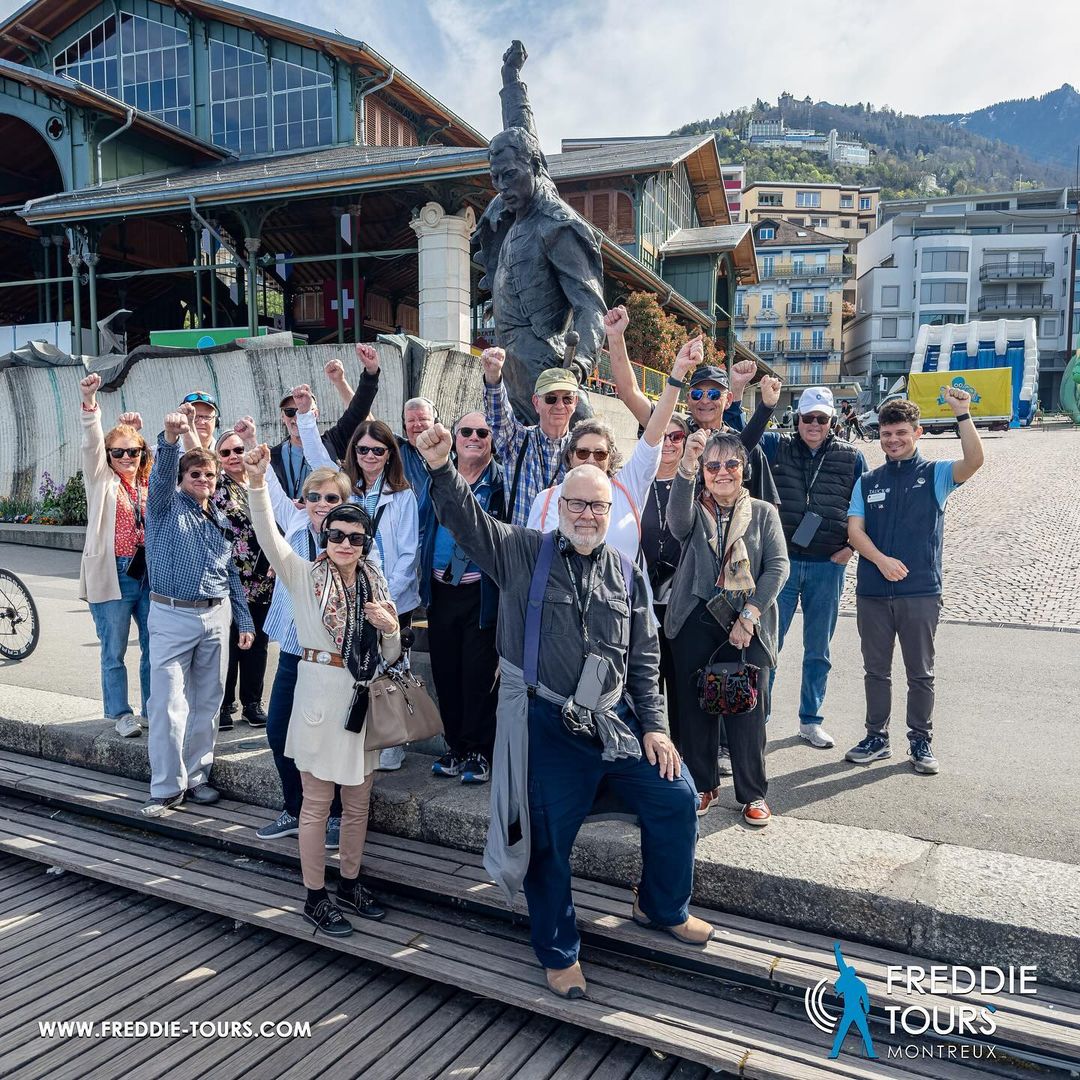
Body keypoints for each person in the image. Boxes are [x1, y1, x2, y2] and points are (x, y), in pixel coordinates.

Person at [417, 422, 712, 1001]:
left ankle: (662, 905)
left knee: (675, 798)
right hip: (544, 724)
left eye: (597, 505)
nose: (586, 514)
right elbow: (466, 523)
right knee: (548, 837)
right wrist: (440, 468)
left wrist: (655, 726)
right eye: (576, 503)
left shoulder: (625, 572)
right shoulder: (522, 550)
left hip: (612, 723)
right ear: (558, 505)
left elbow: (645, 657)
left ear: (610, 510)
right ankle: (558, 948)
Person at [245, 443, 401, 935]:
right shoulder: (305, 575)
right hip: (318, 704)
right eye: (336, 534)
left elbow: (392, 658)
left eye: (354, 537)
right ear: (324, 534)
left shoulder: (376, 583)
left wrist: (390, 628)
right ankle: (315, 895)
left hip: (362, 705)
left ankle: (350, 883)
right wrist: (255, 483)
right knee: (315, 806)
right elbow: (269, 537)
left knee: (357, 806)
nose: (344, 543)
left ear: (366, 541)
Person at [845, 390, 983, 775]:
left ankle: (920, 741)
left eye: (901, 433)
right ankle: (877, 737)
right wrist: (881, 561)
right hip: (873, 591)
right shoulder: (868, 480)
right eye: (886, 434)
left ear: (917, 433)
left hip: (920, 591)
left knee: (920, 672)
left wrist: (962, 415)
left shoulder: (936, 474)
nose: (893, 440)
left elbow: (974, 461)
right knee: (876, 670)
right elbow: (855, 531)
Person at [472, 40, 606, 424]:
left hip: (543, 354)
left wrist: (580, 362)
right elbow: (519, 127)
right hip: (507, 356)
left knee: (584, 442)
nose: (502, 187)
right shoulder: (512, 211)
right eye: (496, 179)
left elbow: (589, 303)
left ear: (535, 166)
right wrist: (511, 80)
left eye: (510, 176)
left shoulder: (556, 224)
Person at [665, 430, 789, 823]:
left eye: (731, 464)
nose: (722, 472)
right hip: (696, 617)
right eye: (712, 465)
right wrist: (687, 465)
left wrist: (750, 615)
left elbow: (777, 566)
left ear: (743, 468)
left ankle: (752, 792)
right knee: (694, 709)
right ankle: (703, 784)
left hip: (746, 620)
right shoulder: (693, 507)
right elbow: (676, 524)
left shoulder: (764, 512)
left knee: (749, 708)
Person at [240, 414, 352, 848]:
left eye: (330, 497)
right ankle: (295, 807)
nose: (321, 503)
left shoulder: (351, 543)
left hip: (331, 660)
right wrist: (256, 467)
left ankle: (337, 815)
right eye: (314, 496)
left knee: (331, 739)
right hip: (292, 651)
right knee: (278, 732)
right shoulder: (293, 529)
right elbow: (264, 509)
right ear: (303, 500)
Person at [140, 409, 254, 817]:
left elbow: (231, 572)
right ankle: (166, 787)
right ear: (182, 479)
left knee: (208, 702)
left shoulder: (219, 517)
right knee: (168, 703)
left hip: (215, 616)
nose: (204, 481)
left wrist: (244, 618)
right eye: (195, 476)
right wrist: (171, 438)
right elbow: (158, 478)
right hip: (171, 615)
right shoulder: (164, 507)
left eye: (209, 476)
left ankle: (198, 776)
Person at [300, 404, 420, 772]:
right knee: (355, 667)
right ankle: (354, 731)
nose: (369, 456)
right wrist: (306, 418)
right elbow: (314, 458)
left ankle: (393, 740)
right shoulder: (344, 492)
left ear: (389, 455)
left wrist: (387, 601)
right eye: (362, 449)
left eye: (378, 450)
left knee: (392, 666)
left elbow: (409, 551)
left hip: (392, 598)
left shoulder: (402, 495)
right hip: (349, 592)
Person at [758, 386, 868, 749]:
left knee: (818, 648)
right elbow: (743, 438)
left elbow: (865, 507)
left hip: (827, 564)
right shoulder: (777, 447)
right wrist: (762, 403)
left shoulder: (851, 457)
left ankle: (810, 720)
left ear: (832, 420)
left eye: (822, 418)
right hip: (783, 564)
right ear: (798, 419)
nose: (815, 425)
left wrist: (851, 546)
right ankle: (760, 719)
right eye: (808, 418)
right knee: (769, 645)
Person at [526, 337, 698, 565]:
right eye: (583, 452)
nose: (591, 460)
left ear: (611, 459)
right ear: (570, 455)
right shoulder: (545, 501)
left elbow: (656, 429)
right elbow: (531, 561)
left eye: (600, 454)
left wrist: (677, 375)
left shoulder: (628, 486)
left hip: (625, 599)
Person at [601, 307, 778, 505]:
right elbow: (629, 392)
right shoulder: (674, 434)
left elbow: (767, 507)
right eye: (696, 394)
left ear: (728, 400)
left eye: (713, 394)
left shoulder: (747, 447)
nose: (704, 400)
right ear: (687, 398)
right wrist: (615, 336)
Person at [420, 412, 504, 785]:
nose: (474, 437)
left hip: (480, 592)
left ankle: (477, 751)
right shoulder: (436, 476)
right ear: (454, 437)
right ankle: (454, 746)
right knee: (446, 672)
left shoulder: (500, 482)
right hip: (441, 592)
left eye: (482, 432)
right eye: (466, 431)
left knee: (478, 676)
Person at [77, 373, 151, 739]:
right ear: (108, 456)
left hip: (150, 574)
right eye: (118, 452)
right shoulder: (101, 480)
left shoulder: (148, 484)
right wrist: (91, 403)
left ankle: (152, 708)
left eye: (133, 451)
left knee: (156, 645)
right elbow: (92, 444)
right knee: (115, 649)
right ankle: (121, 713)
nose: (126, 458)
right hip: (115, 573)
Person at [212, 427, 276, 731]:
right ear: (218, 458)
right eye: (225, 452)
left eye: (238, 450)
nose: (234, 457)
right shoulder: (216, 487)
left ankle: (252, 703)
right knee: (231, 643)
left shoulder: (262, 481)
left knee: (259, 642)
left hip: (264, 577)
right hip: (231, 578)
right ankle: (224, 705)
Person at [271, 345, 382, 500]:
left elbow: (358, 411)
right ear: (282, 418)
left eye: (304, 410)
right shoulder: (271, 456)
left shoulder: (334, 442)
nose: (297, 418)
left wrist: (371, 373)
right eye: (290, 412)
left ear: (315, 414)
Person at [483, 346, 577, 527]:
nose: (559, 405)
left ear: (575, 403)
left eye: (567, 398)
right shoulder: (517, 440)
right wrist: (493, 375)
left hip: (564, 550)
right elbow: (498, 415)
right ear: (536, 402)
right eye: (551, 398)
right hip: (522, 547)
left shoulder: (581, 450)